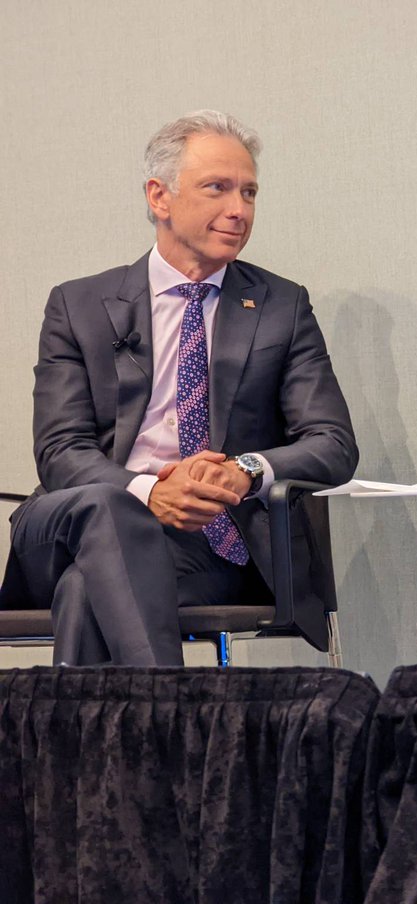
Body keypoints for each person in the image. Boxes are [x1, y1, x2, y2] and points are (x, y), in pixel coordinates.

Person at [0, 111, 358, 666]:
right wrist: (147, 492)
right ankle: (170, 732)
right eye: (217, 188)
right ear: (159, 197)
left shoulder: (280, 307)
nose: (238, 210)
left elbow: (332, 443)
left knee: (85, 590)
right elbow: (60, 452)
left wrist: (245, 470)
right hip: (67, 524)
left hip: (205, 543)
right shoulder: (79, 306)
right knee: (106, 506)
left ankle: (117, 747)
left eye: (249, 192)